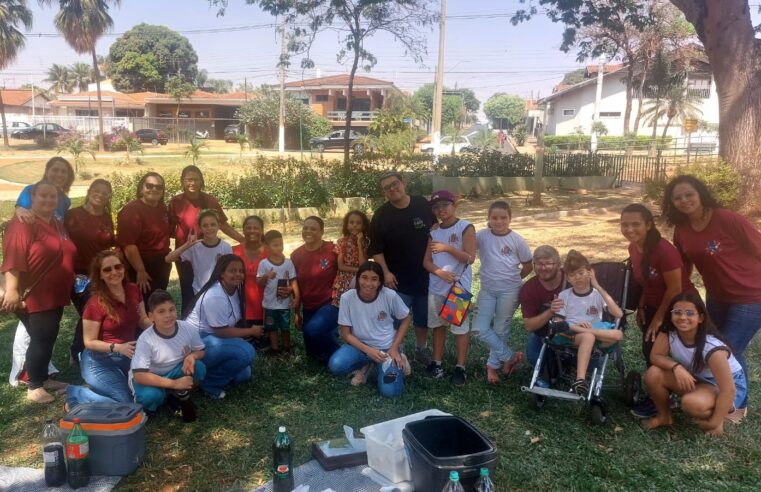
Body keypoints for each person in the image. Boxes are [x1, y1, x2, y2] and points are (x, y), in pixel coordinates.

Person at [663, 175, 761, 416]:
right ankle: (712, 394)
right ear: (672, 202)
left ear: (700, 194)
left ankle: (736, 405)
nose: (684, 200)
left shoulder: (727, 218)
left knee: (728, 347)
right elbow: (684, 265)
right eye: (678, 197)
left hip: (750, 296)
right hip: (716, 297)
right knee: (722, 346)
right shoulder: (682, 229)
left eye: (689, 194)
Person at [1, 181, 77, 403]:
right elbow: (13, 257)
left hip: (54, 294)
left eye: (52, 197)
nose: (48, 200)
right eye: (42, 196)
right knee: (41, 339)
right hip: (34, 294)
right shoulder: (23, 223)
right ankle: (34, 386)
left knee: (47, 337)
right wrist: (12, 290)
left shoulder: (56, 222)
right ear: (31, 198)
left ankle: (43, 378)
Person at [620, 203, 696, 418]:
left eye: (636, 224)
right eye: (624, 224)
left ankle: (664, 397)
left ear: (649, 224)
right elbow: (646, 282)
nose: (629, 229)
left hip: (680, 306)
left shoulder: (664, 250)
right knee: (650, 350)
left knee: (657, 351)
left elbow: (675, 289)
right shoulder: (634, 248)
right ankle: (661, 392)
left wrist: (658, 320)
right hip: (654, 304)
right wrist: (643, 305)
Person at [643, 292, 748, 435]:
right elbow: (655, 356)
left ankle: (722, 414)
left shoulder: (712, 347)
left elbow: (728, 390)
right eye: (677, 312)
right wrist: (676, 367)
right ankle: (664, 417)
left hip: (729, 386)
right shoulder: (670, 332)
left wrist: (715, 423)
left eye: (690, 313)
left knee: (691, 404)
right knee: (653, 373)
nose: (682, 317)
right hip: (699, 379)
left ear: (700, 318)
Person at [65, 250, 151, 409]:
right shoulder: (94, 304)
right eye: (107, 269)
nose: (114, 272)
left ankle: (100, 392)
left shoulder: (133, 290)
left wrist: (161, 326)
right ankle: (77, 394)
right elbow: (89, 342)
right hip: (98, 360)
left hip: (128, 355)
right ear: (100, 275)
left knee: (143, 392)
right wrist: (118, 347)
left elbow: (142, 320)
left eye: (118, 267)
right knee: (126, 403)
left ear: (124, 269)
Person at [369, 172, 436, 366]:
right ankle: (398, 352)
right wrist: (386, 272)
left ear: (403, 183)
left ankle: (421, 350)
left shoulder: (422, 204)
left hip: (426, 275)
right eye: (387, 188)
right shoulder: (381, 215)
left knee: (423, 318)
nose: (392, 189)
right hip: (397, 279)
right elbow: (376, 249)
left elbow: (437, 229)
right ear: (384, 192)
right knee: (397, 319)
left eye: (395, 184)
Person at [328, 261, 412, 398]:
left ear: (380, 282)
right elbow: (345, 334)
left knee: (390, 392)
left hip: (387, 350)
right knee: (336, 365)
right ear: (358, 278)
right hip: (360, 348)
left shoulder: (389, 295)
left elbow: (406, 318)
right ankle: (368, 364)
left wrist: (394, 347)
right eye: (364, 277)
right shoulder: (347, 298)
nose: (368, 283)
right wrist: (368, 351)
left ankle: (396, 359)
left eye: (374, 279)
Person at [184, 255, 261, 399]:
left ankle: (203, 376)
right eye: (232, 271)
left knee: (245, 373)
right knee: (246, 352)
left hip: (212, 340)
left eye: (240, 271)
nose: (238, 274)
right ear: (221, 273)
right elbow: (222, 332)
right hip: (197, 343)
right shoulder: (215, 295)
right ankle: (209, 384)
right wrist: (251, 331)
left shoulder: (234, 290)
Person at [168, 165, 245, 310]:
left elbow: (223, 224)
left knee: (211, 285)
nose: (193, 183)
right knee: (187, 289)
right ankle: (189, 321)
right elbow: (169, 229)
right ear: (182, 181)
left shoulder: (210, 201)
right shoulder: (175, 202)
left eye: (196, 179)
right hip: (185, 253)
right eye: (189, 179)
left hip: (207, 251)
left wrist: (243, 240)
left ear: (201, 181)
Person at [473, 200, 532, 384]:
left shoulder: (517, 239)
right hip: (487, 290)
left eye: (503, 218)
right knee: (478, 329)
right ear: (488, 219)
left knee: (500, 329)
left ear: (510, 218)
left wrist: (514, 280)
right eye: (494, 218)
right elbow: (465, 244)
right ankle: (510, 356)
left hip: (510, 291)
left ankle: (492, 367)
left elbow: (528, 265)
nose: (499, 222)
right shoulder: (481, 236)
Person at [422, 190, 476, 385]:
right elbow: (426, 262)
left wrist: (448, 248)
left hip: (457, 288)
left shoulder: (465, 227)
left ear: (454, 205)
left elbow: (470, 258)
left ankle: (460, 367)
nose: (441, 210)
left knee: (459, 328)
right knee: (438, 326)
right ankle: (437, 363)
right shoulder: (433, 231)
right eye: (436, 207)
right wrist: (439, 272)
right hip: (436, 287)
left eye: (445, 205)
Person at [553, 250, 624, 396]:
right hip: (572, 335)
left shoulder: (597, 294)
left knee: (618, 334)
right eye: (572, 275)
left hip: (594, 333)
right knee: (588, 337)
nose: (577, 278)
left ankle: (585, 332)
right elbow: (558, 322)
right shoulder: (565, 295)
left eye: (581, 273)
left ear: (590, 273)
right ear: (568, 278)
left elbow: (619, 314)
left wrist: (597, 286)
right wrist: (576, 328)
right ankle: (580, 380)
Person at [64, 179, 116, 368]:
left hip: (100, 274)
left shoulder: (106, 216)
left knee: (95, 311)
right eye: (97, 190)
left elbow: (108, 243)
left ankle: (87, 349)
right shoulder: (72, 215)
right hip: (78, 275)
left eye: (105, 192)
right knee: (90, 310)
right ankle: (77, 351)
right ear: (89, 191)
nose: (100, 194)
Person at [131, 290, 206, 417]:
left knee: (199, 368)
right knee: (150, 397)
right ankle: (168, 394)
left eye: (171, 309)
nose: (168, 315)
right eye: (161, 311)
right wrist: (174, 384)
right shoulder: (145, 339)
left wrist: (192, 356)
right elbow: (139, 376)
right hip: (151, 376)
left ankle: (174, 394)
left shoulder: (187, 328)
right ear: (151, 317)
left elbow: (201, 350)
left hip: (175, 370)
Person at [117, 172, 172, 305]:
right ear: (141, 188)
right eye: (150, 186)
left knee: (156, 303)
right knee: (141, 305)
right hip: (141, 265)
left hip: (161, 263)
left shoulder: (162, 208)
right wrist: (140, 271)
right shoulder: (132, 210)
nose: (154, 189)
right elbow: (129, 245)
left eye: (159, 187)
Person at [291, 216, 339, 362]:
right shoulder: (296, 255)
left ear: (322, 231)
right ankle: (330, 334)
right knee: (313, 354)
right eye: (305, 228)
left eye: (313, 228)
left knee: (312, 330)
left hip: (331, 303)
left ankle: (345, 355)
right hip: (309, 307)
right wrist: (297, 313)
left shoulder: (333, 250)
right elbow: (296, 285)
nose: (308, 231)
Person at [519, 245, 565, 379]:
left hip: (575, 329)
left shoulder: (572, 278)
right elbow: (529, 325)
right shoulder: (529, 288)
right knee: (534, 357)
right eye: (539, 264)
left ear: (558, 264)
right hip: (546, 332)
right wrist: (551, 311)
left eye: (548, 263)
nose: (543, 268)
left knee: (593, 362)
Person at [165, 209, 233, 294]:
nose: (209, 228)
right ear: (200, 228)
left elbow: (229, 272)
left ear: (218, 226)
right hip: (199, 292)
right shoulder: (194, 247)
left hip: (220, 292)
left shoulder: (226, 247)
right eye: (205, 225)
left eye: (213, 224)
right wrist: (186, 245)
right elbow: (168, 259)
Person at [257, 230, 299, 354]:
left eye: (281, 244)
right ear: (266, 246)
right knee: (272, 328)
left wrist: (296, 297)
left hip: (284, 304)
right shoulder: (263, 264)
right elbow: (259, 282)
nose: (279, 247)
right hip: (270, 304)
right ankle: (275, 350)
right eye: (275, 245)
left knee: (285, 328)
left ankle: (287, 348)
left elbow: (293, 281)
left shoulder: (288, 263)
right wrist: (266, 276)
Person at [232, 216, 268, 327]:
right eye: (248, 228)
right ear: (243, 230)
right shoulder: (233, 251)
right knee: (244, 343)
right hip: (239, 310)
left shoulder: (270, 252)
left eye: (256, 228)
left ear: (262, 231)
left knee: (267, 343)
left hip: (266, 308)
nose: (252, 231)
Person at [332, 210, 369, 307]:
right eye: (351, 222)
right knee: (344, 307)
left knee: (359, 306)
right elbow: (340, 266)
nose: (355, 225)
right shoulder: (341, 242)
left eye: (358, 223)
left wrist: (359, 243)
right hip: (344, 280)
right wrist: (359, 270)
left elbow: (363, 265)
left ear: (364, 226)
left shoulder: (366, 243)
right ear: (347, 225)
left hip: (360, 279)